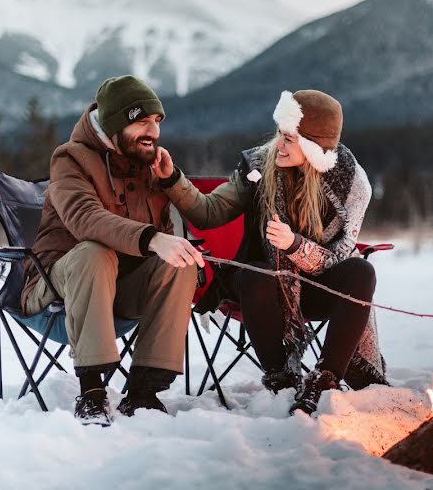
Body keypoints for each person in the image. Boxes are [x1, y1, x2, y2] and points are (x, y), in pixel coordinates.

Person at [153, 89, 388, 416]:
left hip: (314, 284)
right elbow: (210, 211)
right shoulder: (259, 165)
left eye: (290, 139)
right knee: (255, 275)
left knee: (362, 272)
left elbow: (337, 256)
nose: (279, 144)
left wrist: (294, 245)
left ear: (313, 147)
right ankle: (283, 378)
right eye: (280, 134)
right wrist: (172, 179)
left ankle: (325, 379)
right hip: (262, 291)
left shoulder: (351, 184)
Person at [22, 75, 205, 426]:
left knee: (180, 261)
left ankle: (143, 391)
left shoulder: (150, 164)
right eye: (141, 121)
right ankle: (91, 392)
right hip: (55, 290)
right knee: (95, 251)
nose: (152, 131)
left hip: (120, 291)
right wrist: (153, 238)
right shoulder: (69, 160)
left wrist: (170, 239)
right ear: (115, 124)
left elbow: (202, 215)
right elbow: (84, 218)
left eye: (156, 122)